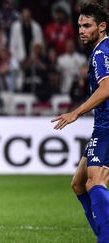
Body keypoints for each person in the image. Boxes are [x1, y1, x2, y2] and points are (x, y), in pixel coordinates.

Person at [52, 2, 109, 242]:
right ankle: (102, 232)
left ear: (102, 26)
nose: (81, 30)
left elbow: (107, 87)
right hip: (102, 125)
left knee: (95, 180)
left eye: (87, 25)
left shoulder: (101, 53)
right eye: (79, 26)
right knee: (78, 183)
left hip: (107, 126)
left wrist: (75, 113)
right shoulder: (101, 50)